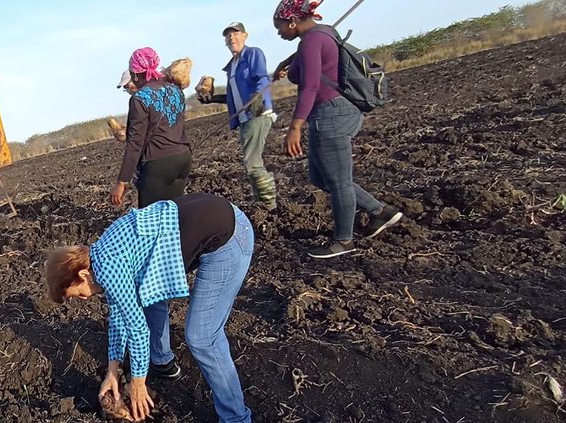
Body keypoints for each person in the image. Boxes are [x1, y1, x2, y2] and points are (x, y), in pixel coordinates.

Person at [45, 194, 260, 423]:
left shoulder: (109, 267)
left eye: (77, 294)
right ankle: (163, 364)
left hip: (229, 237)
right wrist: (112, 371)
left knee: (202, 336)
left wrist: (137, 383)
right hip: (215, 217)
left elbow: (137, 329)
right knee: (146, 297)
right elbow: (119, 314)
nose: (82, 299)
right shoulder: (101, 254)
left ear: (82, 274)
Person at [274, 0, 403, 258]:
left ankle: (344, 242)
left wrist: (295, 126)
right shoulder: (323, 33)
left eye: (279, 28)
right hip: (332, 113)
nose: (279, 33)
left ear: (292, 22)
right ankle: (380, 212)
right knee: (320, 178)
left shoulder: (311, 42)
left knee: (338, 182)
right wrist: (284, 63)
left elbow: (309, 86)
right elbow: (305, 60)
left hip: (330, 114)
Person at [197, 22, 280, 210]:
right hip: (243, 119)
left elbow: (262, 77)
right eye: (228, 36)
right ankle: (261, 203)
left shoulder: (253, 54)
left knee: (252, 163)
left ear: (245, 35)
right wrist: (211, 99)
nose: (231, 38)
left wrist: (258, 96)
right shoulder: (232, 67)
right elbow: (234, 97)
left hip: (257, 113)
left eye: (235, 34)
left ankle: (268, 205)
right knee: (252, 162)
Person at [110, 48, 192, 209]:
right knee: (175, 214)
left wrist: (122, 181)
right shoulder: (176, 90)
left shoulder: (139, 99)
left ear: (135, 73)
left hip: (159, 163)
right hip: (183, 159)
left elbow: (135, 144)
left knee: (150, 218)